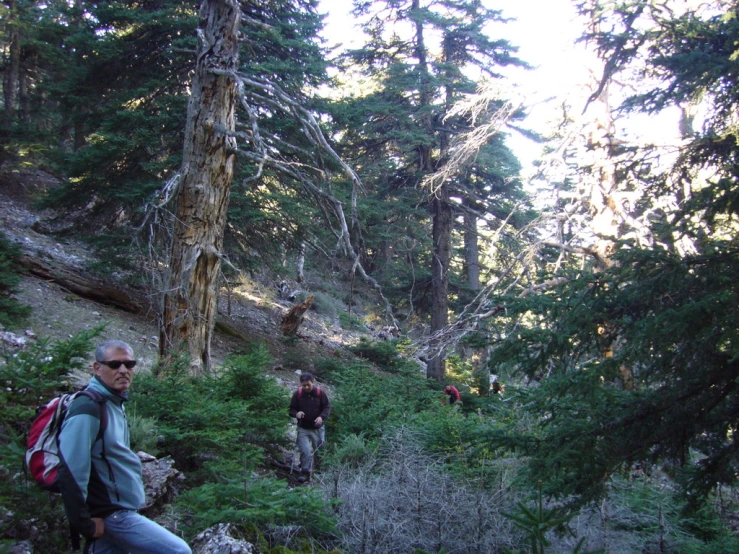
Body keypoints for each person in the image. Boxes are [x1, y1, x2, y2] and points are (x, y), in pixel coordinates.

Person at [57, 339, 191, 554]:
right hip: (112, 514)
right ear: (97, 368)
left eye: (129, 365)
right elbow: (71, 468)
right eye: (114, 365)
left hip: (119, 510)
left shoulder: (112, 402)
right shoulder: (88, 407)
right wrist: (84, 523)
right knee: (178, 551)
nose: (123, 370)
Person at [288, 372, 331, 483]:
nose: (306, 387)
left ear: (313, 382)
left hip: (317, 429)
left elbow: (327, 407)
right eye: (304, 385)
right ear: (301, 384)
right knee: (305, 451)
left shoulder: (320, 393)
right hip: (303, 428)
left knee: (319, 451)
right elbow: (291, 409)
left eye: (308, 385)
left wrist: (322, 417)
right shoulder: (298, 394)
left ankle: (319, 472)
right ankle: (305, 473)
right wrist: (296, 414)